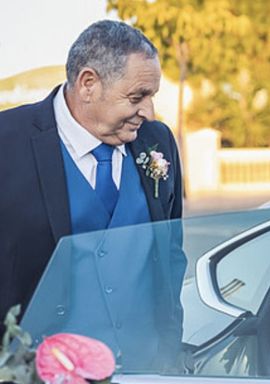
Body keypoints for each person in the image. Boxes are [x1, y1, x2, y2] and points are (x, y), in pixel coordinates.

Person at [0, 20, 183, 324]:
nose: (148, 113)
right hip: (38, 365)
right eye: (137, 97)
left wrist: (171, 346)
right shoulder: (6, 142)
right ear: (88, 84)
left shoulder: (158, 140)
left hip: (148, 364)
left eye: (152, 96)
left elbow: (171, 252)